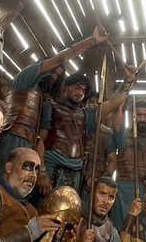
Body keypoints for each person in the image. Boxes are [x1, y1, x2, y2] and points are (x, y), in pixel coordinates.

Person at [0, 27, 109, 185]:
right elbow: (60, 59)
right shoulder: (27, 78)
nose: (54, 76)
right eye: (53, 71)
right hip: (10, 137)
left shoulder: (44, 99)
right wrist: (92, 41)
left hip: (29, 144)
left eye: (58, 75)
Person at [38, 67, 136, 197]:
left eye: (83, 90)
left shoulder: (86, 115)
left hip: (75, 172)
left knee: (70, 212)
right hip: (52, 166)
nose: (80, 93)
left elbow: (113, 103)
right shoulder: (50, 107)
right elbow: (39, 140)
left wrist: (128, 81)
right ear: (65, 87)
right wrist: (42, 172)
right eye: (77, 88)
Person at [107, 99, 146, 228]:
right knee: (120, 229)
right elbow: (117, 125)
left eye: (145, 115)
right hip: (122, 192)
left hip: (144, 192)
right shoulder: (123, 136)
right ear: (133, 116)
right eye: (139, 115)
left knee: (141, 232)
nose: (142, 118)